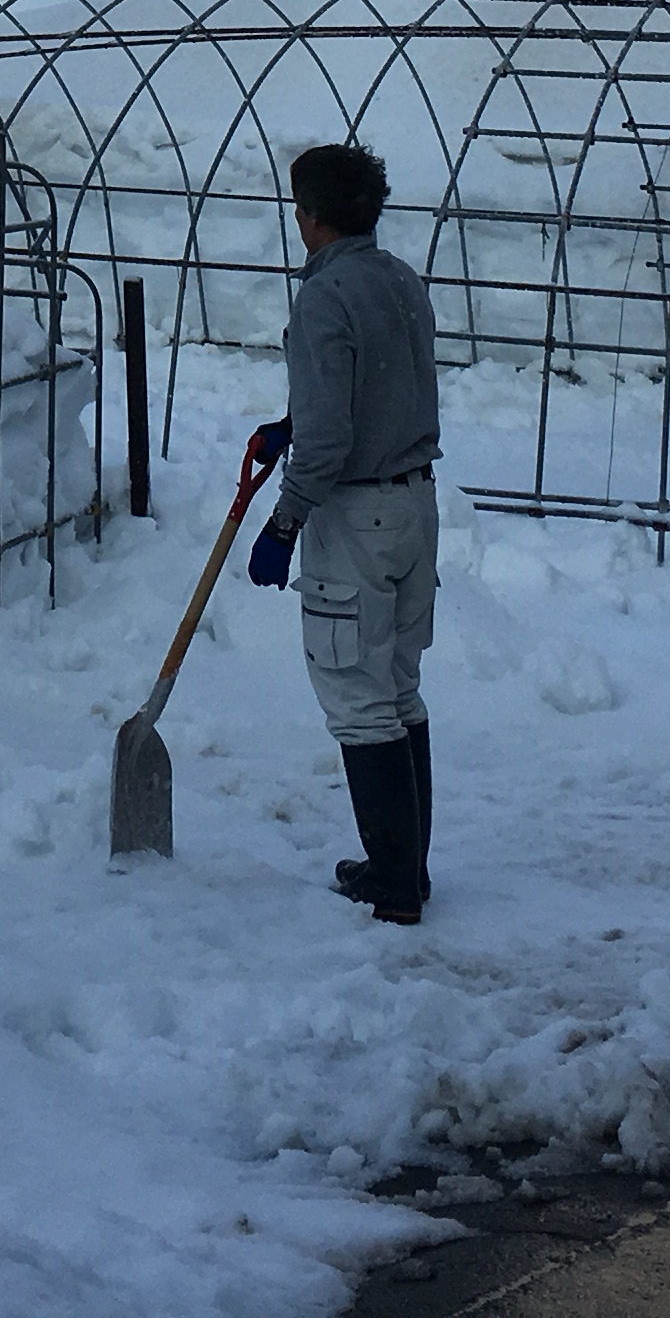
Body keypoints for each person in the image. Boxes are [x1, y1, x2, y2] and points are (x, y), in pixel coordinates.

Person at [241, 139, 440, 923]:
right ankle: (408, 866)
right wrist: (294, 421)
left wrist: (285, 520)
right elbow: (373, 389)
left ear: (311, 217)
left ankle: (393, 884)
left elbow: (331, 436)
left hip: (356, 516)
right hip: (414, 504)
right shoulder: (400, 279)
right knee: (398, 687)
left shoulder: (325, 297)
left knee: (359, 697)